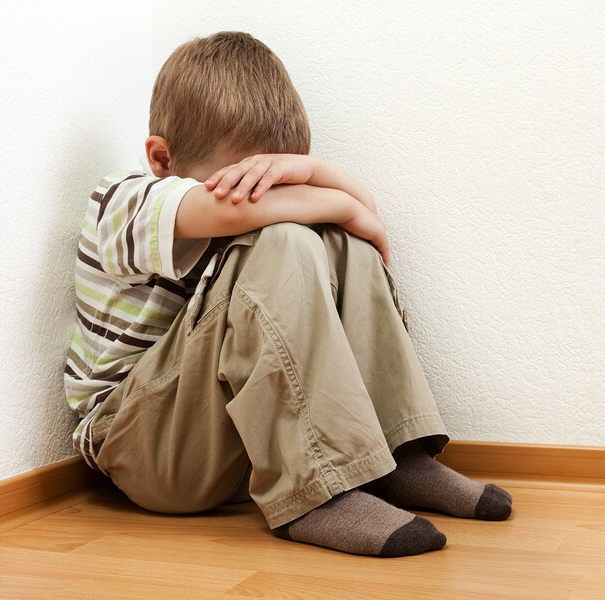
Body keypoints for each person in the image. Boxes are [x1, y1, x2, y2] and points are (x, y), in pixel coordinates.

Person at [64, 31, 511, 558]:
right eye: (251, 184)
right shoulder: (122, 201)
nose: (274, 197)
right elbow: (234, 212)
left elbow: (351, 216)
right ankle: (315, 494)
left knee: (343, 242)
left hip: (232, 445)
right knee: (289, 237)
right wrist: (339, 204)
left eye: (279, 182)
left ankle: (394, 458)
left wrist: (316, 174)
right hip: (143, 447)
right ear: (163, 158)